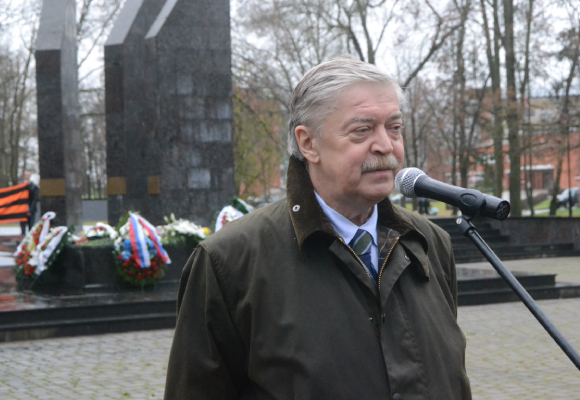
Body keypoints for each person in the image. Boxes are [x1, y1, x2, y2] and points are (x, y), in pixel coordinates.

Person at [164, 55, 471, 400]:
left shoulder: (430, 243)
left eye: (394, 127)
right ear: (308, 143)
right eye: (362, 130)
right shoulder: (228, 262)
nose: (386, 145)